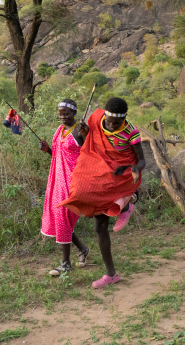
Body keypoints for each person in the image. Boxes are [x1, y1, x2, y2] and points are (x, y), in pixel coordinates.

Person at [59, 97, 146, 289]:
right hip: (100, 174)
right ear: (105, 116)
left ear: (124, 119)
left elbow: (141, 160)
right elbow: (88, 146)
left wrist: (136, 168)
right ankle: (111, 274)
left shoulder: (131, 132)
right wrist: (84, 134)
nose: (112, 126)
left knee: (102, 223)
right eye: (109, 122)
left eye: (117, 123)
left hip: (121, 175)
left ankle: (127, 203)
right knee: (99, 226)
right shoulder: (97, 120)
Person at [39, 99, 90, 276]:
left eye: (66, 114)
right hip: (58, 181)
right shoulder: (60, 130)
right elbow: (58, 155)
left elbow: (90, 153)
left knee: (64, 218)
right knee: (63, 220)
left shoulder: (80, 131)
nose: (62, 117)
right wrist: (47, 150)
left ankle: (65, 263)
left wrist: (86, 136)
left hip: (75, 182)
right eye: (60, 114)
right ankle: (82, 249)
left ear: (74, 113)